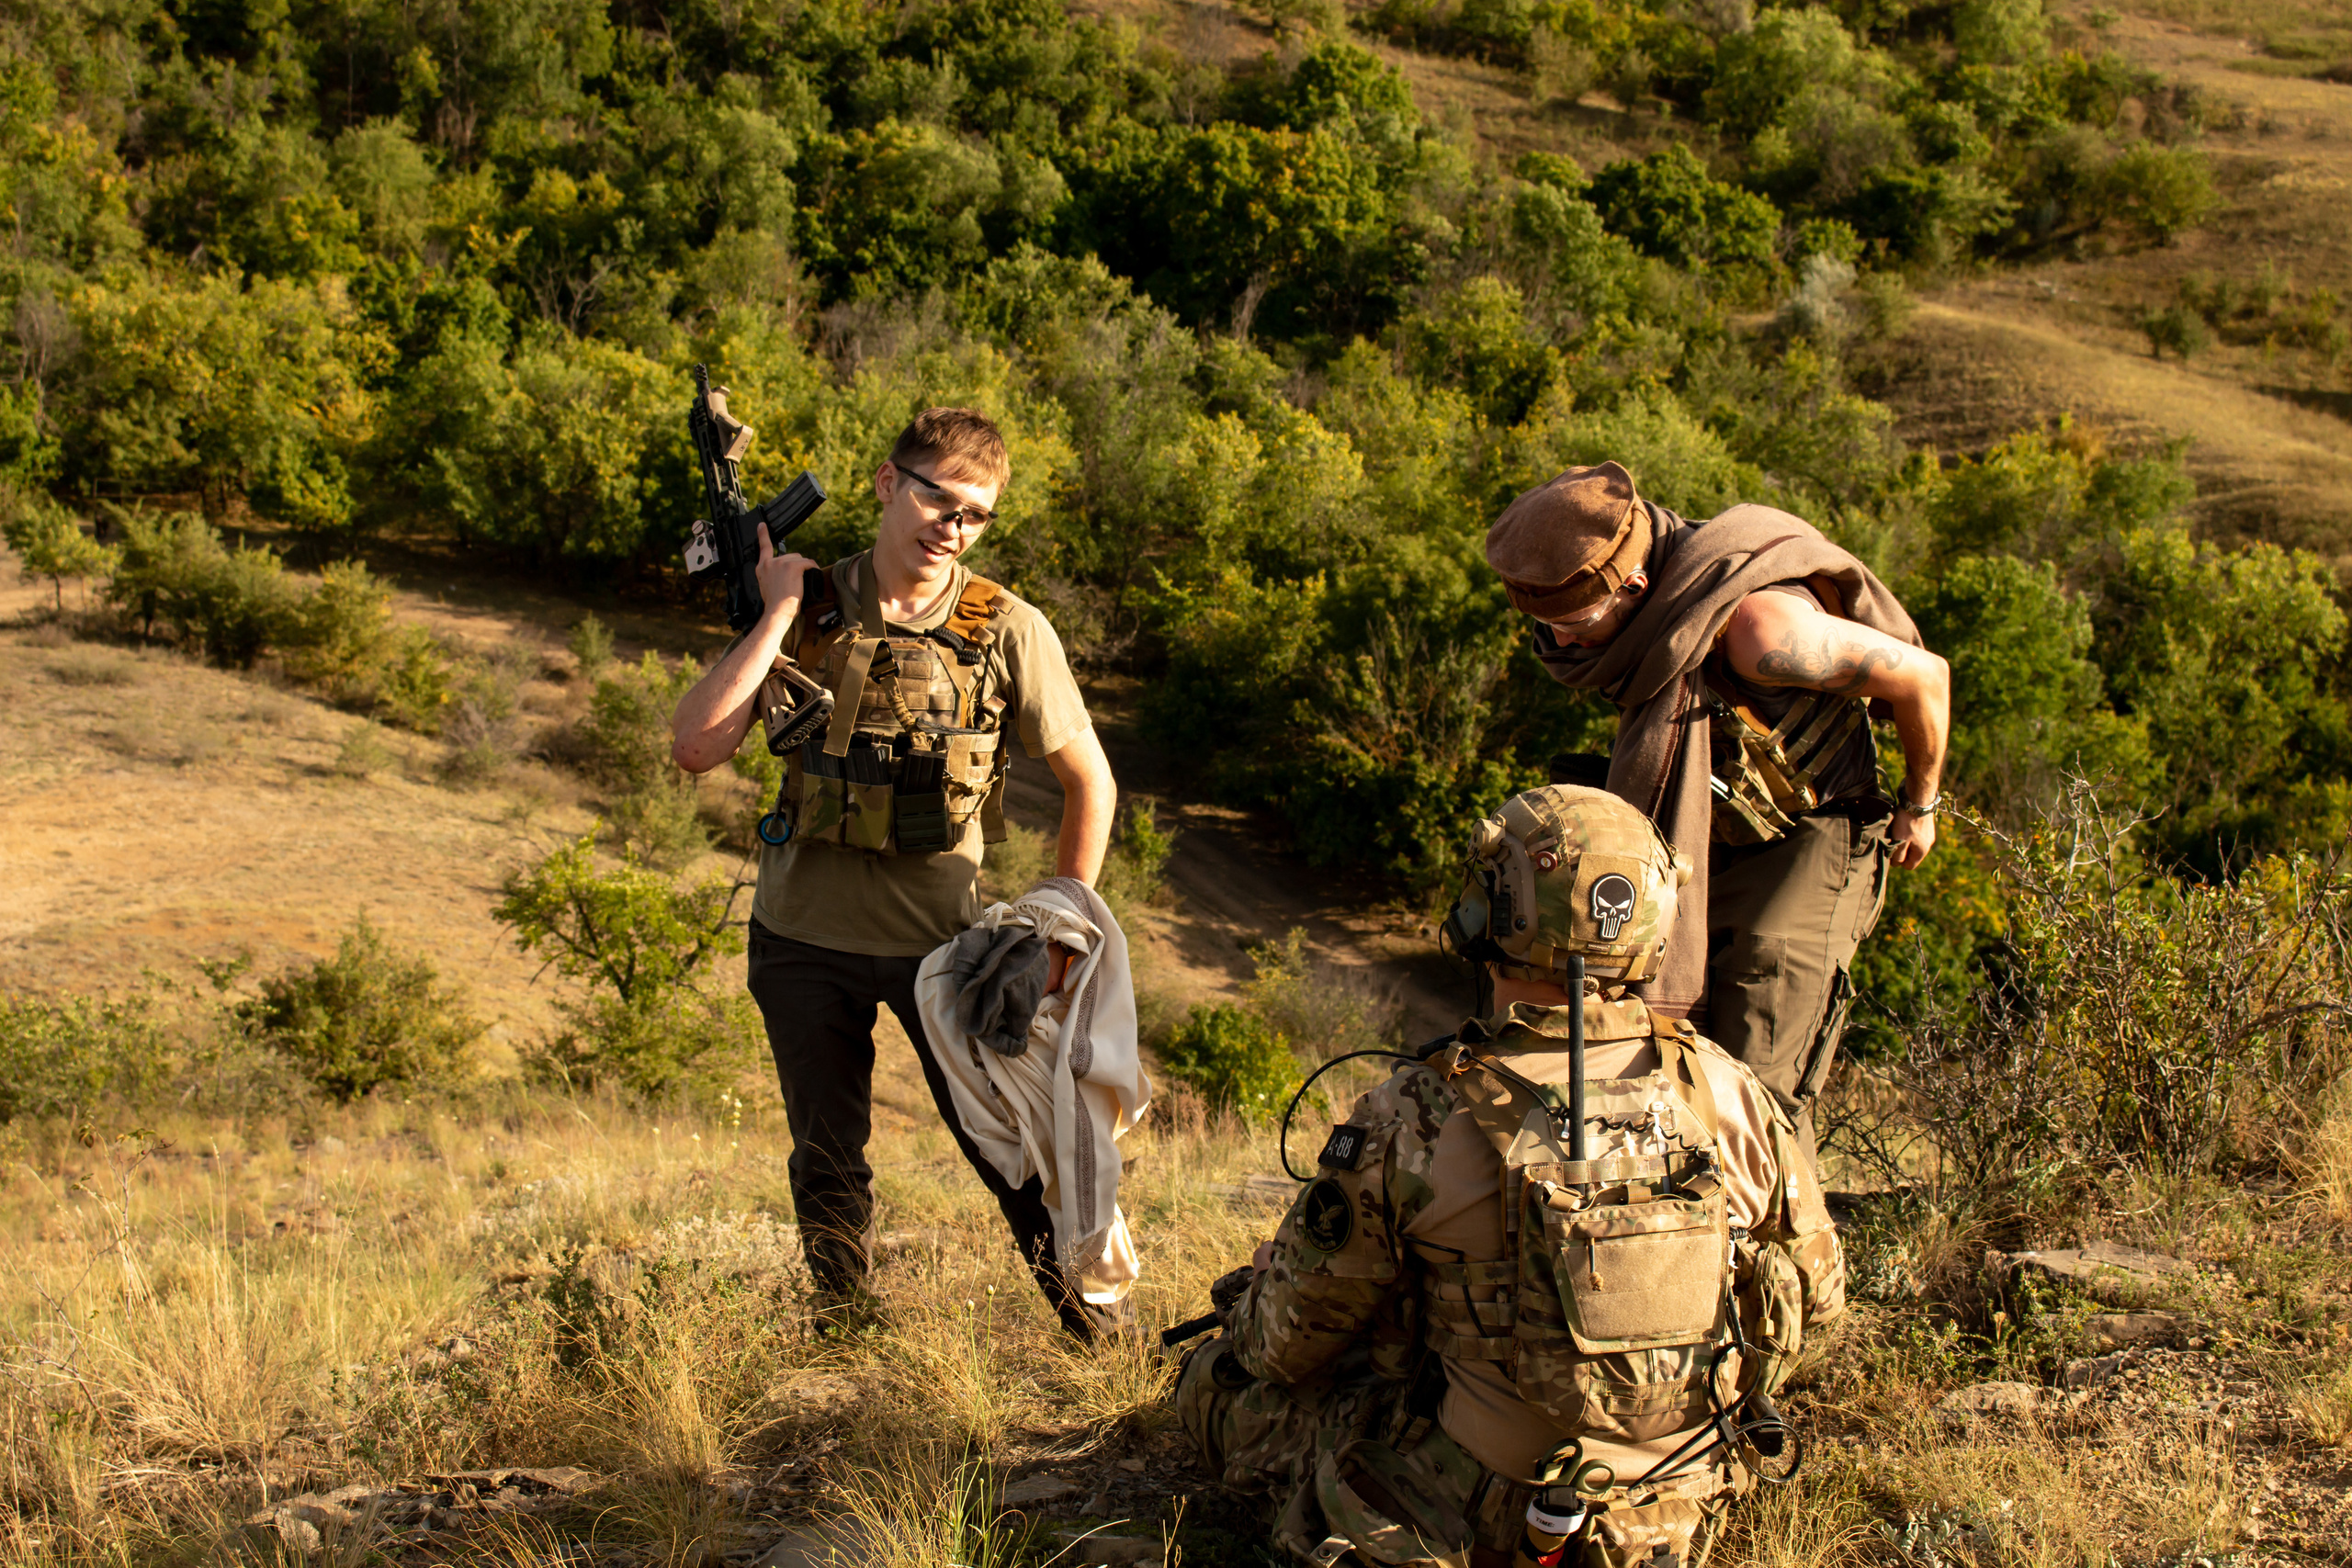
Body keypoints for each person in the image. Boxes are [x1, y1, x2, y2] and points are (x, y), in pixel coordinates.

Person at [1175, 784, 1845, 1567]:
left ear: (1489, 911)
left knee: (1216, 1381)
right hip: (1683, 1508)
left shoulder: (1415, 1114)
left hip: (1488, 1509)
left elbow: (1280, 1345)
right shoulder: (1729, 1091)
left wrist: (1262, 1286)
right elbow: (1818, 1304)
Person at [670, 406, 1120, 1337]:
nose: (949, 527)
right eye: (935, 498)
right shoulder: (810, 604)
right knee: (827, 1156)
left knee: (1010, 1152)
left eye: (974, 515)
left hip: (942, 952)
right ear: (887, 485)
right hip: (800, 941)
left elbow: (1091, 785)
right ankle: (844, 1327)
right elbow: (696, 746)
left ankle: (1088, 1327)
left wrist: (1063, 934)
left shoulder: (1007, 627)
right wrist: (780, 610)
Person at [1484, 461, 1951, 1162]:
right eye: (1545, 628)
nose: (1564, 645)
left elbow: (1925, 676)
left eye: (1575, 624)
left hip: (1816, 834)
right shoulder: (1622, 623)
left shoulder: (1759, 631)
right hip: (1711, 829)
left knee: (1756, 1074)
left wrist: (1921, 803)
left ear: (1635, 585)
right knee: (1666, 1055)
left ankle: (1785, 1252)